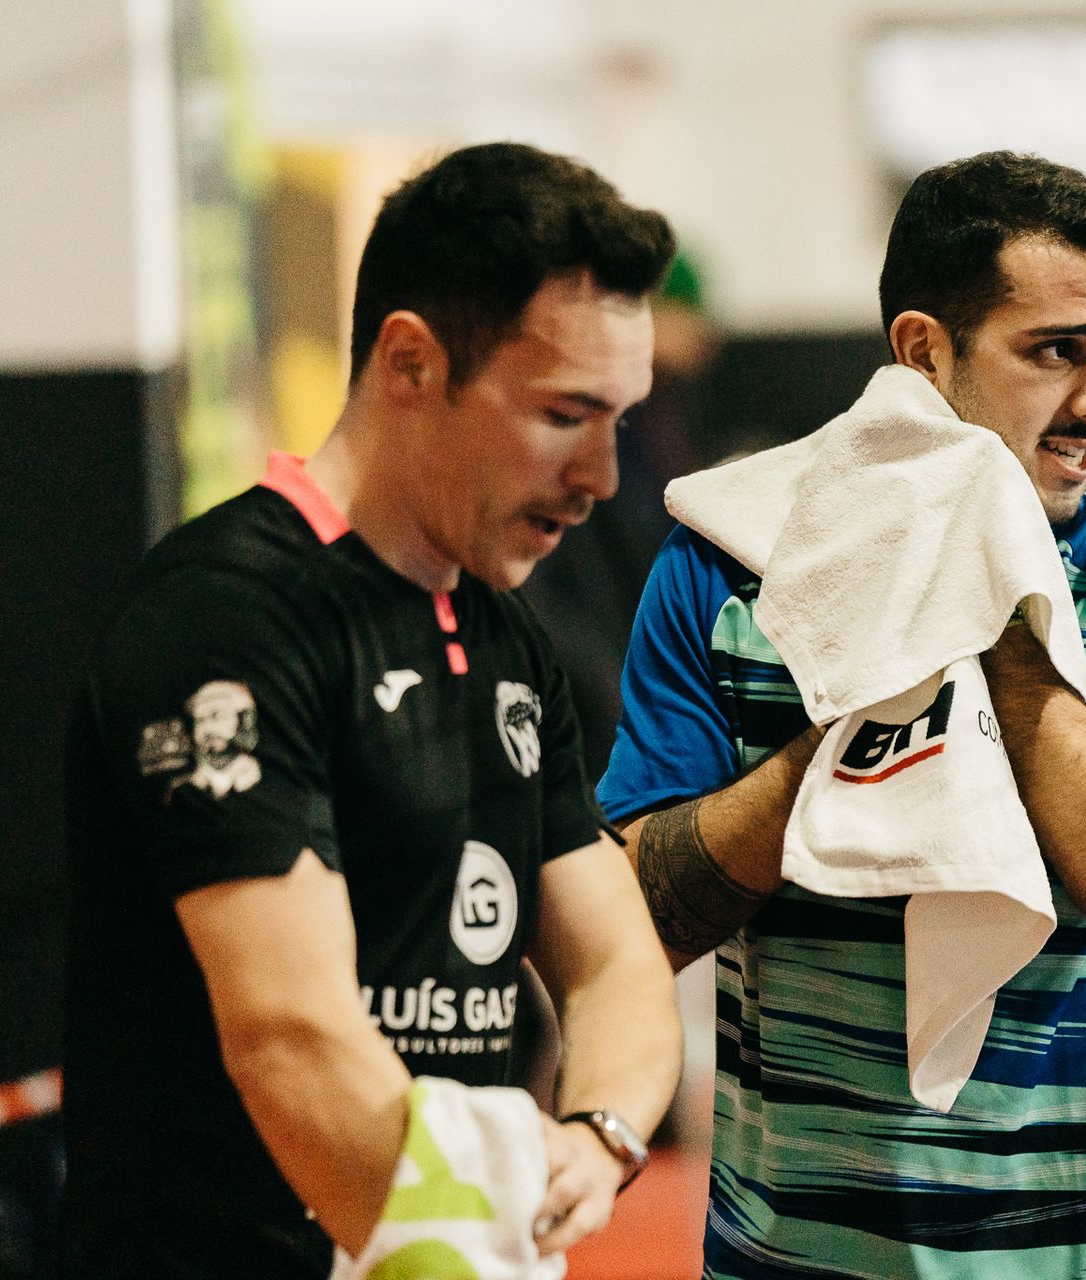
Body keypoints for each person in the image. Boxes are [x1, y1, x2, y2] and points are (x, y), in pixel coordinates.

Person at [600, 152, 1086, 1278]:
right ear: (923, 352)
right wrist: (863, 721)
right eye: (1057, 351)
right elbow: (637, 918)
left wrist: (981, 613)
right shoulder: (727, 568)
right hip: (802, 1250)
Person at [60, 142, 683, 1278]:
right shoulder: (230, 617)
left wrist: (598, 1139)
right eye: (562, 414)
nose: (599, 473)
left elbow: (616, 965)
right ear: (410, 360)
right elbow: (290, 1035)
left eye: (619, 420)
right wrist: (449, 1252)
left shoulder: (504, 633)